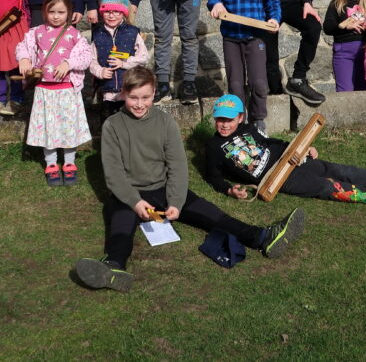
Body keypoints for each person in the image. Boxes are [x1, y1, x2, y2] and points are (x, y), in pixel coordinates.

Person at [74, 67, 305, 292]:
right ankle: (113, 267)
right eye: (133, 97)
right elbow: (113, 174)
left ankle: (263, 237)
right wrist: (134, 202)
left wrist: (175, 202)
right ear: (123, 93)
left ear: (154, 93)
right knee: (121, 225)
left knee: (212, 215)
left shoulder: (165, 122)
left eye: (145, 97)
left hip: (163, 189)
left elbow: (177, 166)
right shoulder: (112, 126)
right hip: (127, 194)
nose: (139, 104)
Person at [204, 94, 366, 211]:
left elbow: (271, 142)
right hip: (278, 179)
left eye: (229, 119)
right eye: (220, 119)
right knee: (326, 187)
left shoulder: (248, 128)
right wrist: (229, 190)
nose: (224, 124)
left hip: (290, 159)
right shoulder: (214, 147)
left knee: (335, 170)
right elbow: (213, 176)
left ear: (240, 118)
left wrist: (300, 147)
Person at [206, 0, 281, 135]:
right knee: (236, 84)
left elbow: (272, 3)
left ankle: (258, 120)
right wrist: (216, 4)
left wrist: (274, 19)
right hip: (231, 38)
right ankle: (239, 121)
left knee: (258, 82)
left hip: (255, 37)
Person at [16, 0, 93, 186]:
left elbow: (86, 56)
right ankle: (51, 163)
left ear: (69, 12)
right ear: (44, 11)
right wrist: (24, 59)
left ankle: (69, 163)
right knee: (47, 127)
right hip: (45, 91)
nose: (56, 16)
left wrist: (69, 63)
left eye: (61, 12)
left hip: (67, 90)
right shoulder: (36, 32)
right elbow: (22, 46)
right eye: (52, 12)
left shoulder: (74, 34)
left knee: (68, 127)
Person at [88, 0, 148, 116]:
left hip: (129, 89)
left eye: (116, 11)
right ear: (102, 13)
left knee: (129, 120)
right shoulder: (97, 34)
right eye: (107, 12)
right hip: (107, 91)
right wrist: (100, 71)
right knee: (109, 120)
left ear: (123, 13)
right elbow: (91, 60)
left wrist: (124, 63)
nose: (111, 15)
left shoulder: (132, 33)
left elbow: (144, 58)